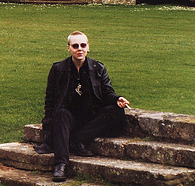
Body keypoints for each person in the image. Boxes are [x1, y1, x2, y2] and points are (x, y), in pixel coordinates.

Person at [34, 31, 130, 182]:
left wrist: (117, 99)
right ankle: (61, 165)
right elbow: (50, 99)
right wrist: (48, 121)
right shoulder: (58, 69)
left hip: (91, 115)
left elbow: (107, 91)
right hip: (69, 115)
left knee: (116, 111)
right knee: (60, 114)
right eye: (75, 46)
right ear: (69, 48)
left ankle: (77, 139)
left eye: (83, 45)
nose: (80, 49)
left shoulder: (98, 68)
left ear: (88, 47)